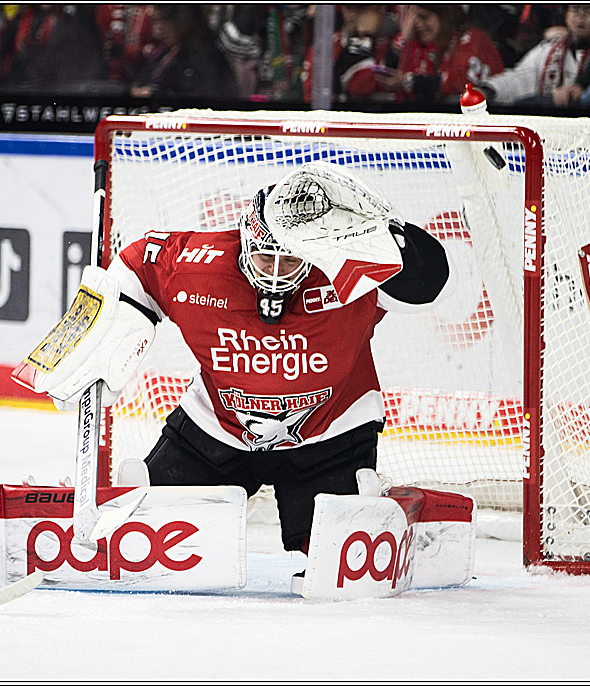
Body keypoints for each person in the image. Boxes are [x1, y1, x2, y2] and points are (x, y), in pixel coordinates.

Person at [90, 163, 451, 555]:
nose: (276, 274)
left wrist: (388, 230)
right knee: (155, 538)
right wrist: (103, 332)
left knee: (335, 551)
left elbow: (428, 282)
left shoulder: (347, 268)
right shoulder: (198, 265)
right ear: (246, 243)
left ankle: (367, 516)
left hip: (331, 436)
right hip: (216, 430)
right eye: (266, 259)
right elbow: (137, 264)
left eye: (291, 261)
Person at [374, 4, 504, 103]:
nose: (417, 24)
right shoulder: (416, 43)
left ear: (444, 15)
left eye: (423, 17)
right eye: (411, 18)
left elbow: (461, 85)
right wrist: (403, 40)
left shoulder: (473, 39)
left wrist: (409, 82)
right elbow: (381, 81)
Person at [478, 4, 590, 107]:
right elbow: (518, 79)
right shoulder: (548, 49)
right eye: (575, 9)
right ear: (566, 15)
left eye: (589, 9)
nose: (580, 16)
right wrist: (489, 90)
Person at [129, 5, 238, 99]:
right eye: (156, 20)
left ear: (183, 19)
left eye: (166, 19)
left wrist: (157, 95)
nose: (159, 27)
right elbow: (139, 83)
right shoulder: (162, 53)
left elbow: (204, 96)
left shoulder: (205, 56)